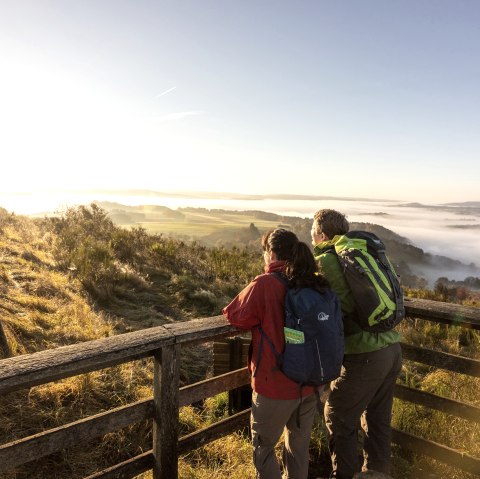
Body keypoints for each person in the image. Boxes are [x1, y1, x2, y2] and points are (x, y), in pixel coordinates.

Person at [223, 228, 329, 479]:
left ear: (271, 253)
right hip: (308, 385)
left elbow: (234, 315)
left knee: (263, 449)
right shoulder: (312, 280)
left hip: (275, 386)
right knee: (298, 450)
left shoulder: (265, 284)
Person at [311, 209, 402, 479]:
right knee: (377, 417)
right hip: (392, 349)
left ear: (322, 234)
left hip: (365, 355)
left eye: (313, 233)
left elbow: (345, 305)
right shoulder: (361, 253)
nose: (312, 238)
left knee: (337, 414)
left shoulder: (328, 259)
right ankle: (376, 473)